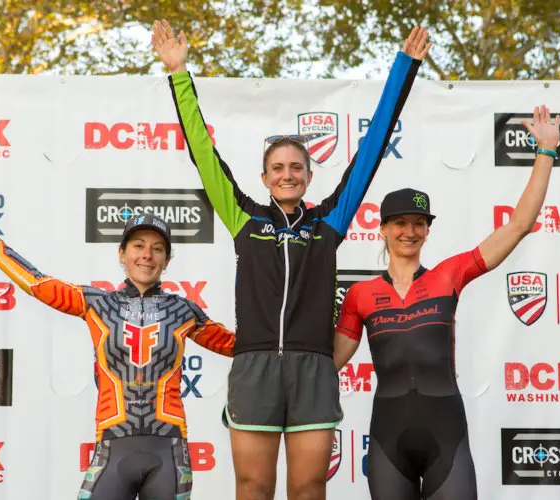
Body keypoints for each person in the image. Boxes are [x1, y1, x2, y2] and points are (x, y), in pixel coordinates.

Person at [152, 19, 431, 500]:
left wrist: (404, 68)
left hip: (312, 369)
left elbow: (370, 151)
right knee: (253, 486)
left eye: (296, 168)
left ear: (307, 177)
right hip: (254, 367)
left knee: (307, 488)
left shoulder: (328, 224)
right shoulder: (243, 218)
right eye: (278, 168)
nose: (287, 175)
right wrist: (179, 73)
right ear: (263, 178)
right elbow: (203, 150)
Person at [333, 106, 560, 499]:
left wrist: (546, 152)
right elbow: (328, 362)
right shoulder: (360, 294)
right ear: (383, 228)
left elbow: (520, 225)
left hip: (446, 433)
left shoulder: (449, 275)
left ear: (428, 229)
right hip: (389, 438)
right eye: (400, 223)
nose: (410, 232)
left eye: (419, 223)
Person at [0, 186, 235, 500]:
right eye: (138, 245)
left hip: (169, 452)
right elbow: (36, 283)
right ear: (122, 253)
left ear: (167, 259)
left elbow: (239, 346)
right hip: (112, 449)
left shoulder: (185, 311)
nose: (147, 255)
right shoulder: (95, 303)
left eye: (157, 249)